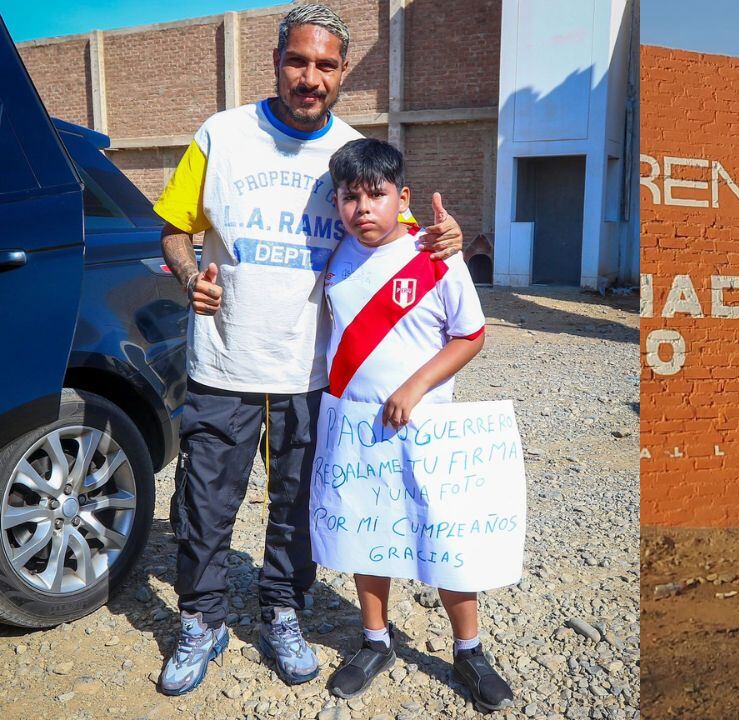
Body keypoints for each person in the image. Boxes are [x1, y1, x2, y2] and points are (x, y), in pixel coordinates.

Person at [153, 4, 463, 695]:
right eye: (298, 61)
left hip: (312, 372)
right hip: (222, 362)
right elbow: (173, 227)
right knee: (205, 503)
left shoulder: (352, 152)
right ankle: (199, 621)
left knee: (300, 504)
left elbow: (402, 239)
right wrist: (186, 276)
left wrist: (446, 242)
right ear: (276, 61)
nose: (310, 77)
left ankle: (282, 612)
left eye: (326, 65)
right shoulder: (222, 134)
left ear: (343, 72)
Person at [318, 138, 513, 711]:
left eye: (376, 195)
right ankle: (374, 640)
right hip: (357, 428)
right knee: (365, 536)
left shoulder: (435, 255)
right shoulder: (336, 258)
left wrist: (416, 386)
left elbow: (470, 335)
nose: (363, 209)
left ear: (400, 197)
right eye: (350, 198)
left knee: (443, 538)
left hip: (428, 430)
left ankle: (470, 651)